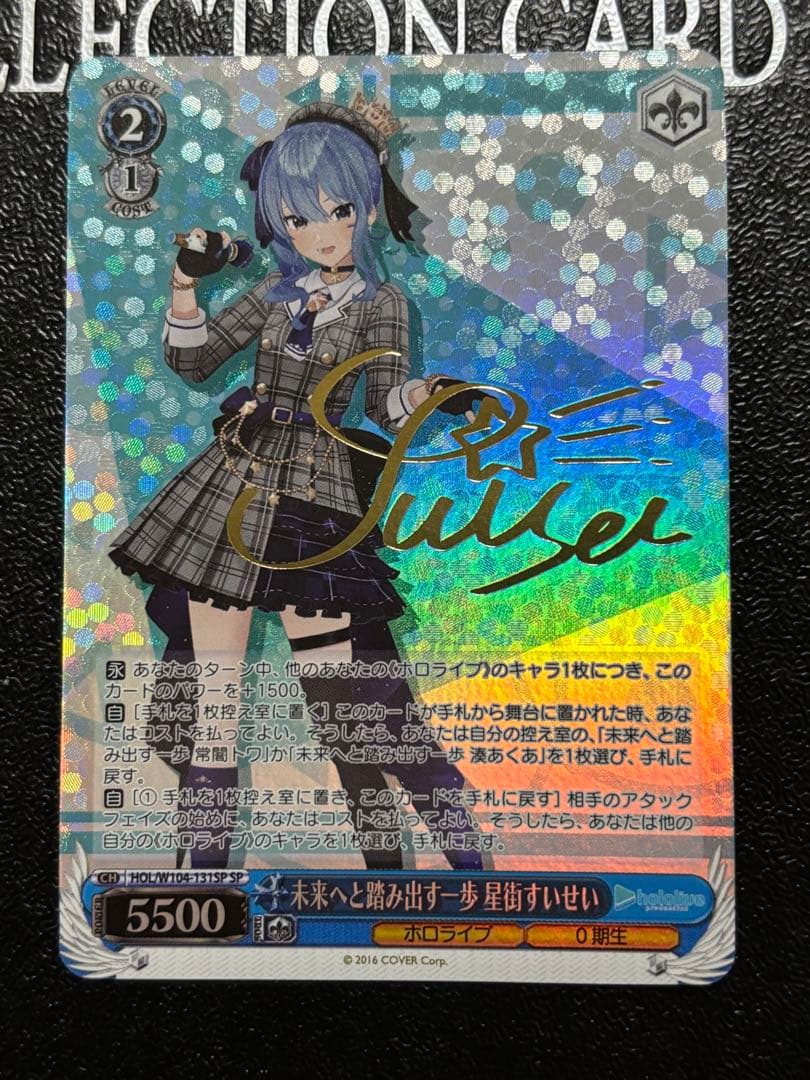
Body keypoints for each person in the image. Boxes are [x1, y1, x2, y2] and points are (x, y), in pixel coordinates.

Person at [109, 93, 485, 871]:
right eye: (299, 218)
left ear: (368, 208)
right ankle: (202, 878)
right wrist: (184, 284)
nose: (323, 233)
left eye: (339, 211)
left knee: (347, 707)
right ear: (281, 223)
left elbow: (384, 399)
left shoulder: (382, 302)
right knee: (215, 710)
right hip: (234, 489)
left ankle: (418, 859)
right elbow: (194, 360)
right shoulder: (272, 295)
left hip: (317, 498)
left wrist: (430, 395)